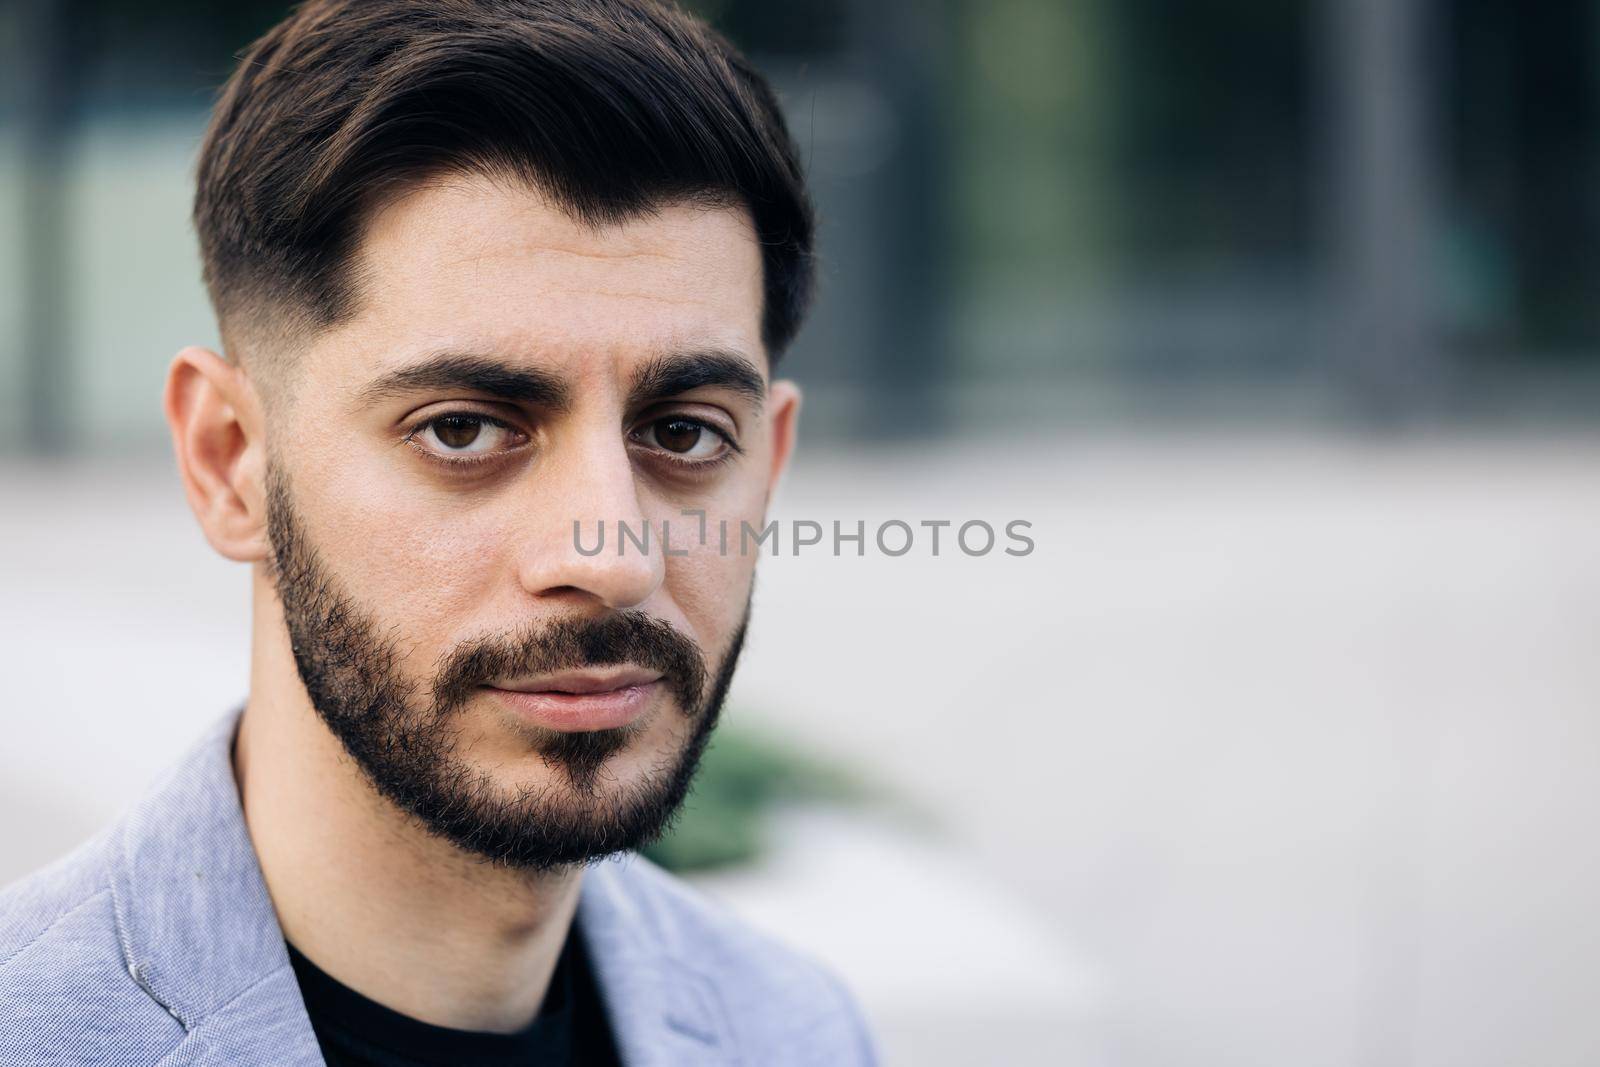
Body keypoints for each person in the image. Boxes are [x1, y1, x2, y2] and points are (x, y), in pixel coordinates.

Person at [0, 1, 877, 1063]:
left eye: (683, 431)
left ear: (768, 466)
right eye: (462, 429)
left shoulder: (793, 1029)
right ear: (228, 460)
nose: (612, 558)